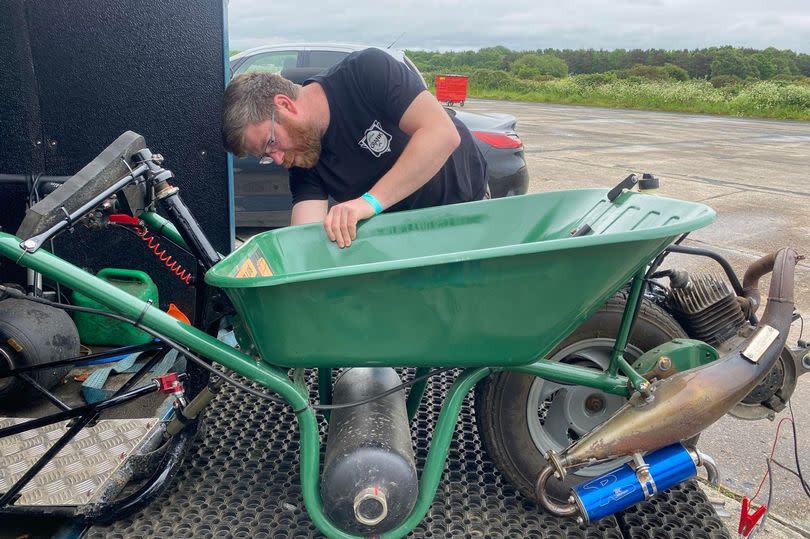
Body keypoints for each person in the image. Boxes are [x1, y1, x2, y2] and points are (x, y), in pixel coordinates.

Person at [222, 47, 488, 248]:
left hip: (464, 209)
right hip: (407, 237)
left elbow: (441, 134)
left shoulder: (366, 72)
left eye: (271, 143)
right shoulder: (303, 157)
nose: (278, 159)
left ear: (285, 105)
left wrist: (367, 203)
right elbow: (307, 237)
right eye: (266, 157)